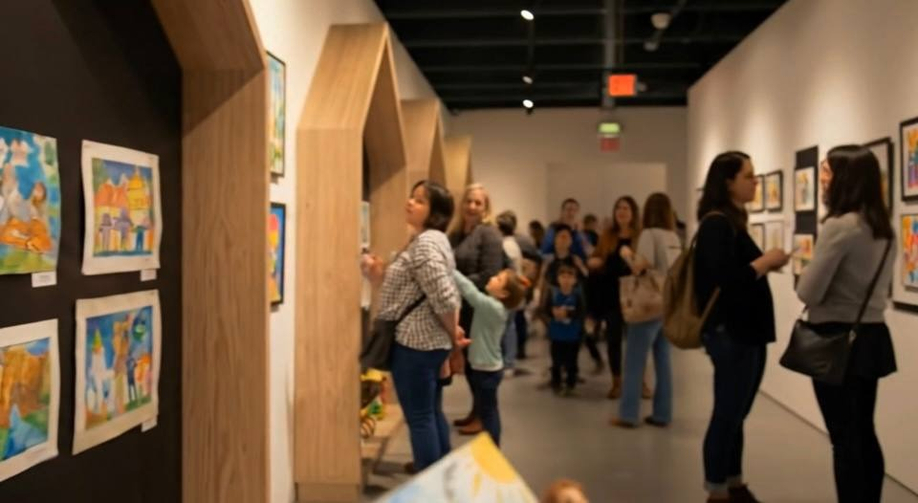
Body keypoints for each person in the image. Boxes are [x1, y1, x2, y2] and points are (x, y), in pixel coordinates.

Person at [796, 145, 896, 503]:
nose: (822, 179)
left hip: (836, 339)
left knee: (843, 438)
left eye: (827, 171)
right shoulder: (883, 229)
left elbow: (808, 291)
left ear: (846, 178)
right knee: (864, 431)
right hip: (872, 336)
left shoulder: (840, 227)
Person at [694, 152, 789, 503]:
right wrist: (764, 262)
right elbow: (726, 280)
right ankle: (717, 489)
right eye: (748, 175)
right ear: (728, 182)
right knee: (727, 413)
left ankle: (733, 482)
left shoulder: (732, 221)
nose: (755, 181)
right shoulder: (716, 224)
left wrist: (763, 265)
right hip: (731, 333)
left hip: (746, 332)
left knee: (737, 413)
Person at [361, 180, 465, 471]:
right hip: (428, 343)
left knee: (420, 417)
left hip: (416, 344)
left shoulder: (426, 245)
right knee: (430, 411)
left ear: (435, 213)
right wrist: (378, 274)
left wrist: (453, 338)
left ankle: (428, 474)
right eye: (412, 196)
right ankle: (439, 469)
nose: (410, 202)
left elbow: (445, 297)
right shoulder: (430, 240)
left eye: (420, 200)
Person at [611, 193, 682, 429]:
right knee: (663, 361)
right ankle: (663, 413)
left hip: (648, 305)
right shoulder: (673, 236)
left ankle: (628, 414)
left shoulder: (649, 235)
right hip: (667, 303)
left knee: (634, 360)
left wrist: (626, 254)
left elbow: (640, 267)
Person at [449, 183, 505, 435]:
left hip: (478, 309)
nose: (471, 207)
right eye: (468, 201)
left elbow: (489, 273)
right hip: (460, 305)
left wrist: (457, 283)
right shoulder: (456, 233)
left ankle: (483, 415)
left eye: (477, 203)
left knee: (478, 367)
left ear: (485, 208)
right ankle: (477, 410)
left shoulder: (489, 234)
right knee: (470, 366)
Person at [453, 268, 527, 445]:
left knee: (488, 413)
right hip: (486, 368)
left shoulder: (493, 307)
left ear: (503, 293)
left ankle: (493, 447)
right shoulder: (496, 307)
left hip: (486, 370)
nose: (492, 278)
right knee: (488, 410)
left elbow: (469, 291)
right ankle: (491, 447)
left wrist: (450, 269)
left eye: (498, 279)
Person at [588, 196, 644, 399]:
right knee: (614, 339)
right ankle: (617, 382)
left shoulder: (640, 236)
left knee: (637, 340)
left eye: (626, 208)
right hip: (611, 293)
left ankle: (640, 381)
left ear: (633, 212)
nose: (621, 211)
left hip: (635, 294)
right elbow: (597, 256)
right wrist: (594, 261)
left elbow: (645, 263)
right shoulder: (607, 235)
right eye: (618, 207)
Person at [540, 263, 586, 396]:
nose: (566, 280)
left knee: (572, 361)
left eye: (569, 277)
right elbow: (545, 310)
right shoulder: (553, 294)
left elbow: (581, 312)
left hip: (572, 335)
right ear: (558, 278)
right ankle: (556, 383)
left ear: (574, 280)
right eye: (563, 276)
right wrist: (552, 314)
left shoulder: (577, 295)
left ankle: (571, 384)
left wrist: (568, 313)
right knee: (556, 361)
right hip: (556, 334)